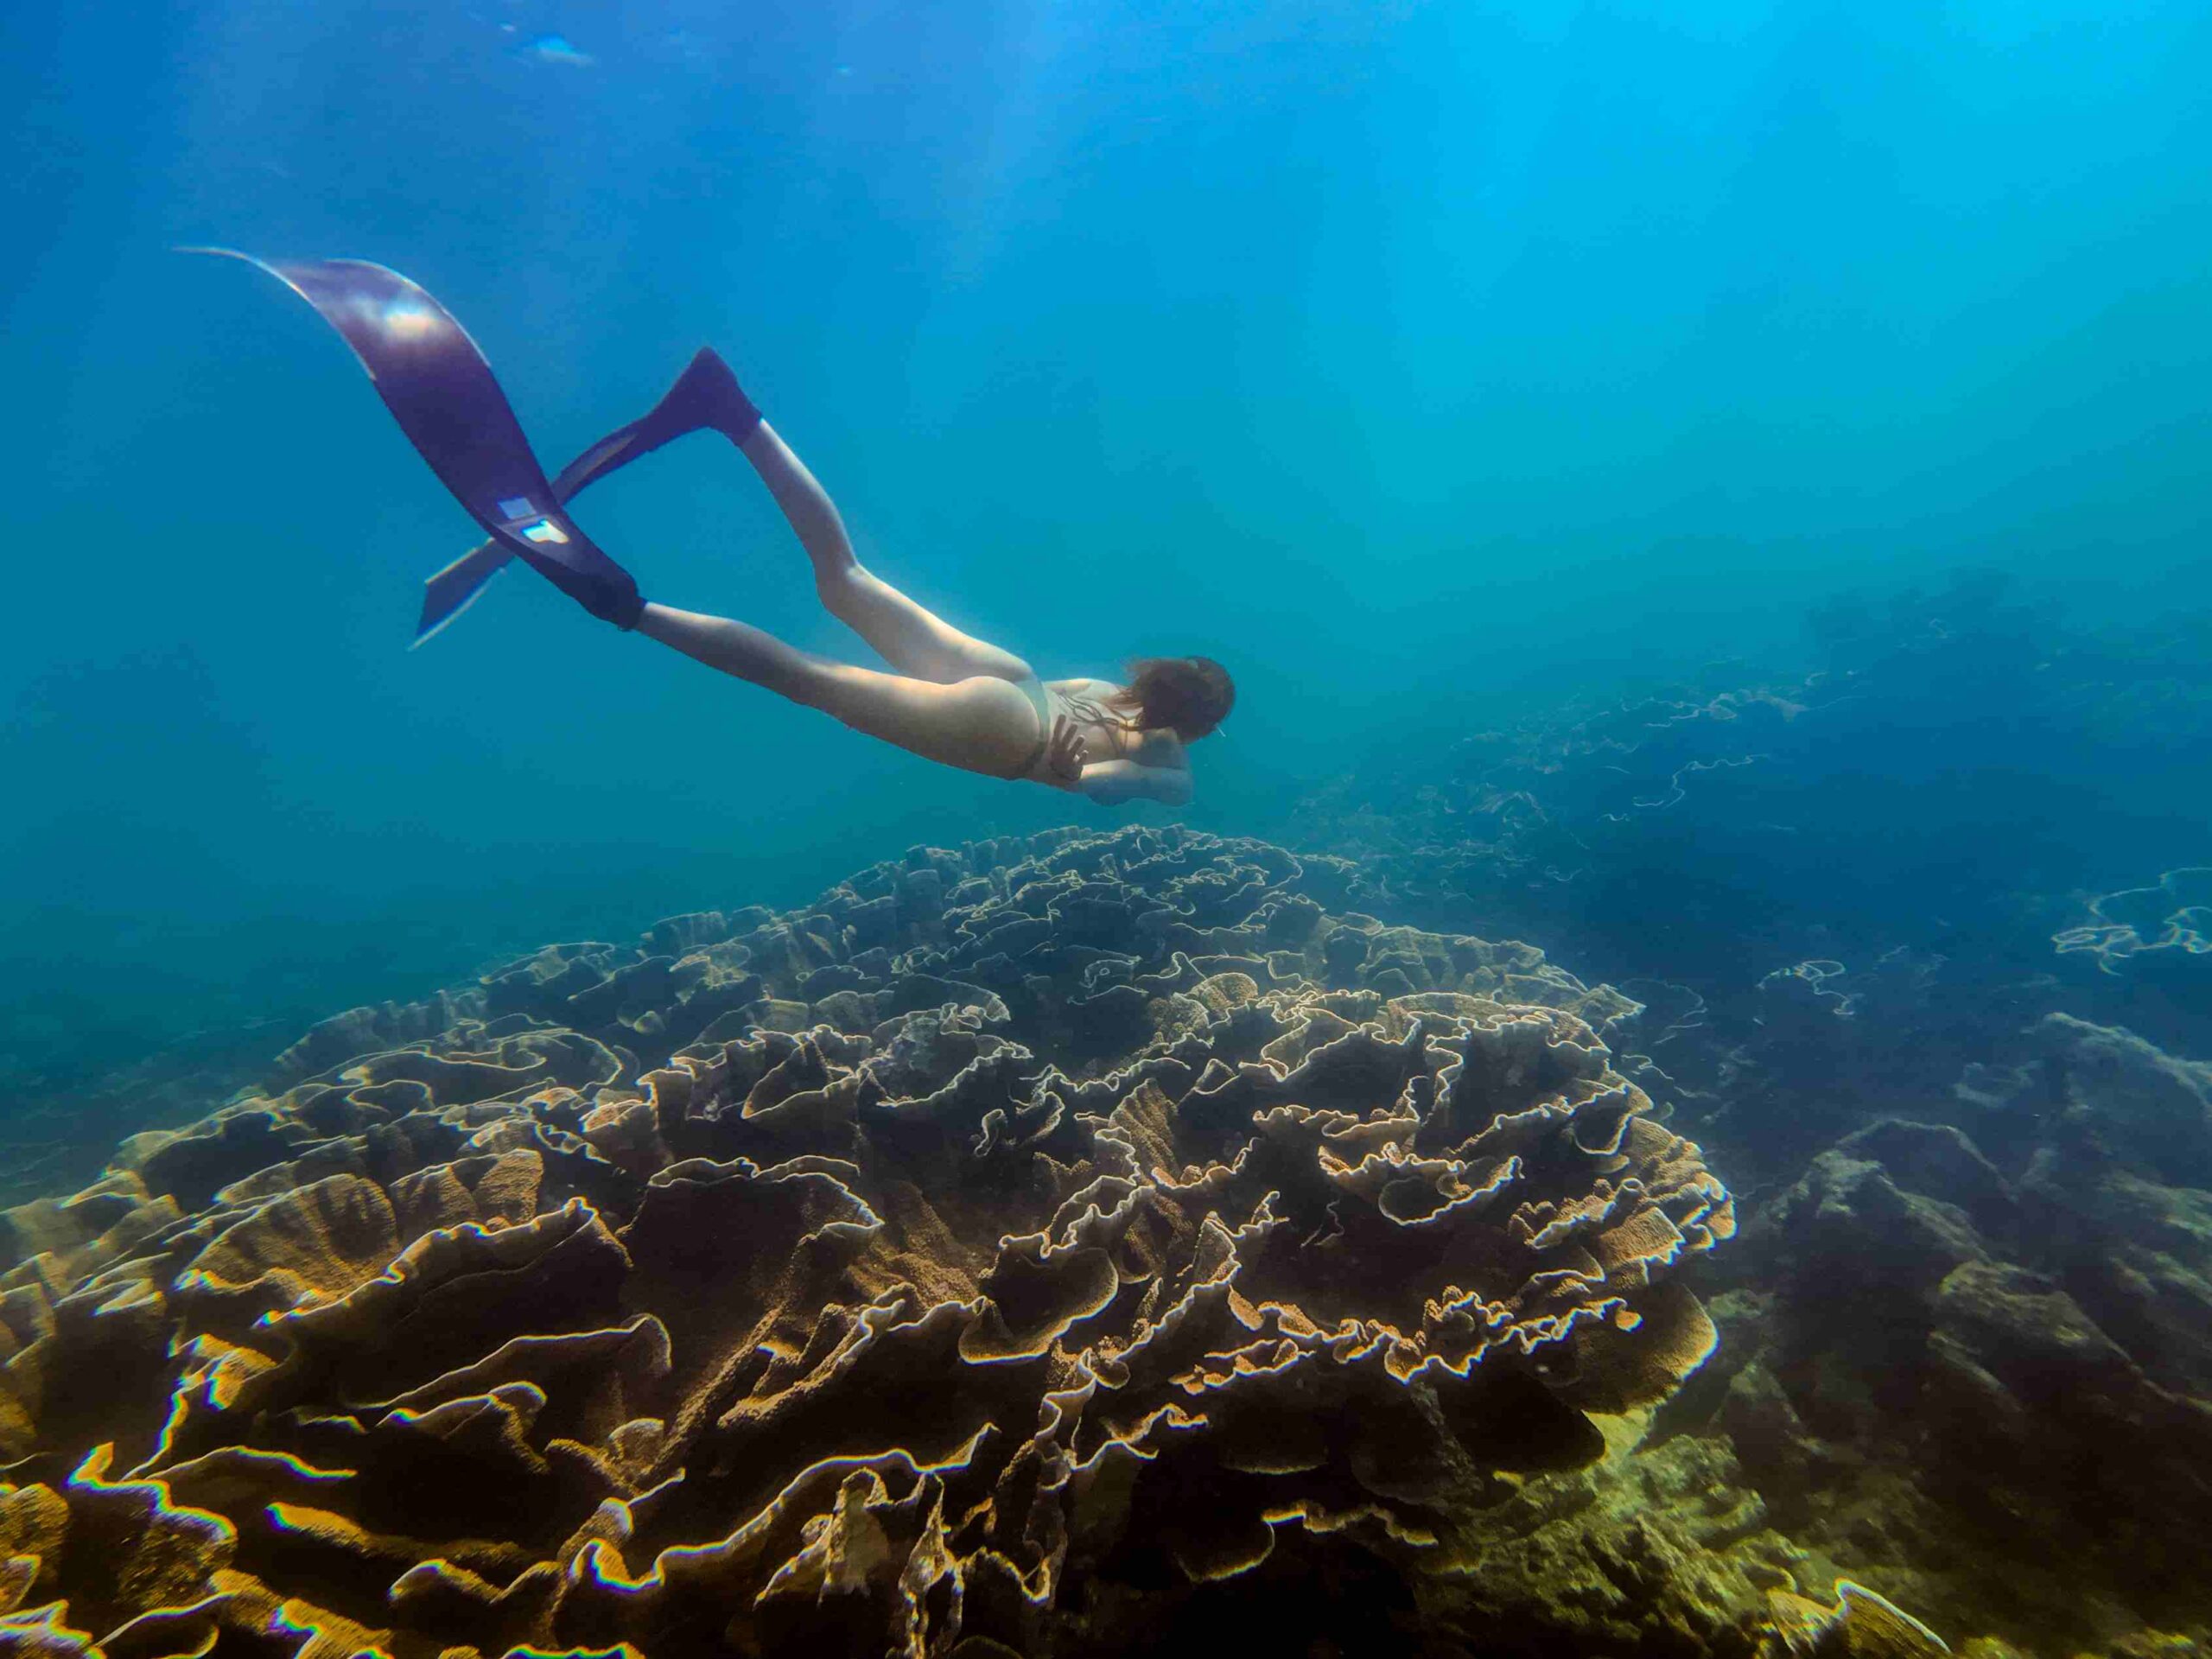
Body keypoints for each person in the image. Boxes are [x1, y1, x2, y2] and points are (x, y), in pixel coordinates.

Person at [209, 252, 1231, 807]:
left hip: (1019, 680)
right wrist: (1130, 769)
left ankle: (732, 412)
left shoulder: (1120, 685)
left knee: (843, 576)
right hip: (1011, 736)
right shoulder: (1171, 762)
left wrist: (1115, 718)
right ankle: (621, 601)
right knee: (807, 677)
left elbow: (1097, 717)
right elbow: (1100, 785)